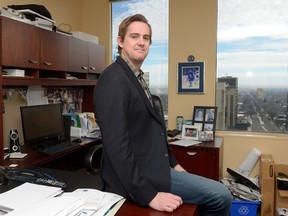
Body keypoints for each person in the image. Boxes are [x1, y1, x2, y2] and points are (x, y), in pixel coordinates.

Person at [94, 14, 232, 215]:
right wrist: (149, 195)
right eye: (134, 36)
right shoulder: (113, 80)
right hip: (139, 177)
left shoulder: (136, 76)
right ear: (120, 41)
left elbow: (152, 130)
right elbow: (117, 147)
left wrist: (174, 163)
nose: (141, 42)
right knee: (221, 196)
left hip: (156, 166)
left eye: (146, 38)